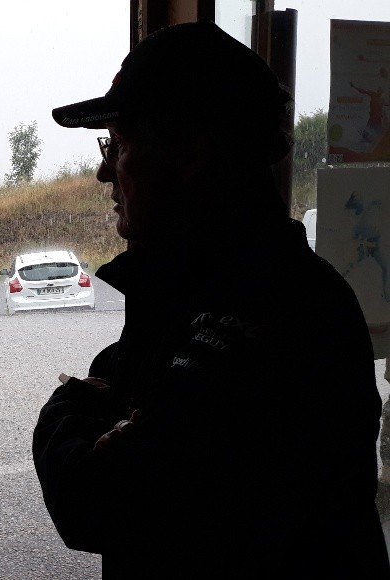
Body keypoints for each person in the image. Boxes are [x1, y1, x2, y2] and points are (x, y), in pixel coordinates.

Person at [33, 22, 390, 578]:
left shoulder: (275, 313)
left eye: (120, 145)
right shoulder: (201, 289)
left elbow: (97, 498)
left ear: (190, 155)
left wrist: (67, 407)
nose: (106, 170)